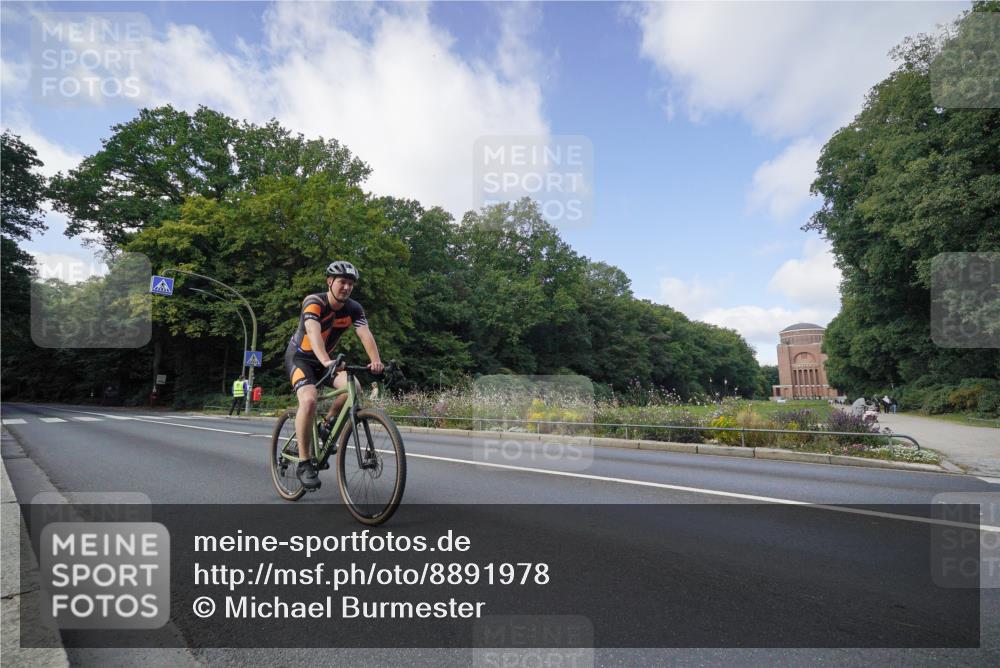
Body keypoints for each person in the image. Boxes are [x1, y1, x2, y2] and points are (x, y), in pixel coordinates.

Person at [285, 260, 383, 489]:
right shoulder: (314, 302)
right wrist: (326, 361)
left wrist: (376, 362)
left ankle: (327, 424)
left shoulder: (354, 309)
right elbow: (313, 332)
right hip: (301, 359)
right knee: (309, 400)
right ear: (330, 281)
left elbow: (365, 334)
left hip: (326, 361)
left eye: (351, 284)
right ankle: (304, 462)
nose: (347, 288)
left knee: (355, 389)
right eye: (342, 282)